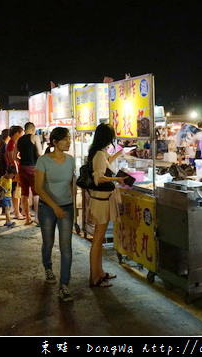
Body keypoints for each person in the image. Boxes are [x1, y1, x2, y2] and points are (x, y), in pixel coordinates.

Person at [34, 127, 76, 302]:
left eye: (69, 138)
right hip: (47, 208)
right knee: (48, 242)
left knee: (66, 247)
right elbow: (38, 188)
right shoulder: (43, 161)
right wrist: (54, 207)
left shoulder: (71, 160)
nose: (68, 142)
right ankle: (48, 267)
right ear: (55, 142)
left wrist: (72, 203)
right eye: (65, 139)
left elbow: (72, 183)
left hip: (66, 207)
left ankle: (64, 285)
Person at [87, 123, 128, 288]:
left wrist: (118, 153)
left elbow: (104, 164)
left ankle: (100, 273)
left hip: (102, 200)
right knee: (97, 240)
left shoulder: (100, 153)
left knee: (99, 239)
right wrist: (117, 179)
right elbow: (99, 178)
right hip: (101, 202)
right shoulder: (98, 154)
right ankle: (94, 278)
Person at [17, 122, 43, 225]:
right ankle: (37, 217)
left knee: (24, 193)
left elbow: (15, 156)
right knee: (36, 193)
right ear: (33, 129)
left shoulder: (19, 140)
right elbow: (40, 153)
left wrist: (22, 160)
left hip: (22, 168)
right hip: (33, 167)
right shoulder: (34, 137)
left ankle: (27, 218)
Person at [6, 125, 25, 220]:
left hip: (15, 170)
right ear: (17, 133)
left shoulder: (13, 143)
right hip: (14, 171)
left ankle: (20, 211)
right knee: (16, 192)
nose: (22, 135)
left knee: (18, 192)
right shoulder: (12, 144)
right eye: (21, 133)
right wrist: (17, 172)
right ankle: (17, 213)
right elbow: (12, 159)